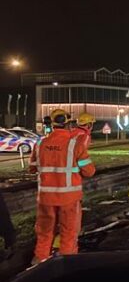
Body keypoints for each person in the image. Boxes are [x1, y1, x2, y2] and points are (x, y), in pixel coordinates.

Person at [28, 108, 96, 264]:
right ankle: (66, 264)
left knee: (44, 232)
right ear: (68, 123)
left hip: (45, 198)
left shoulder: (40, 144)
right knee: (69, 232)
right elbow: (89, 171)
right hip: (69, 198)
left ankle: (39, 262)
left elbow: (32, 168)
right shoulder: (74, 145)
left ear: (51, 124)